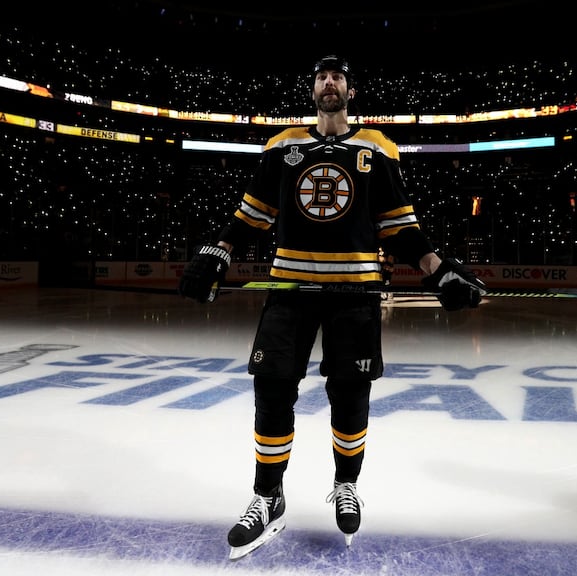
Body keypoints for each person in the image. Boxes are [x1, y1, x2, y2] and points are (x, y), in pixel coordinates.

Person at [177, 55, 487, 560]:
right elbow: (251, 215)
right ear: (311, 90)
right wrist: (217, 253)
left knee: (350, 394)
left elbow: (398, 227)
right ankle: (267, 496)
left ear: (350, 92)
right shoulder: (283, 147)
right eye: (322, 77)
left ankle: (346, 484)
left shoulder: (377, 147)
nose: (329, 83)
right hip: (289, 290)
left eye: (338, 77)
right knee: (272, 389)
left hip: (355, 294)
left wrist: (439, 269)